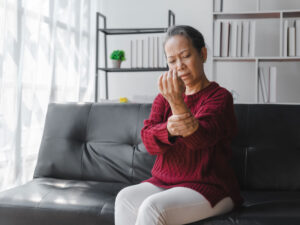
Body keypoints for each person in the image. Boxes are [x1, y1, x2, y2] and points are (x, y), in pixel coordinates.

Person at [114, 25, 244, 225]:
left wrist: (176, 102)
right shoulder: (163, 98)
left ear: (203, 54)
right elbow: (148, 141)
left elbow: (200, 139)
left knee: (152, 208)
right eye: (172, 61)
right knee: (125, 198)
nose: (179, 66)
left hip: (211, 186)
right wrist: (168, 129)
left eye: (185, 56)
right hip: (164, 181)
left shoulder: (220, 97)